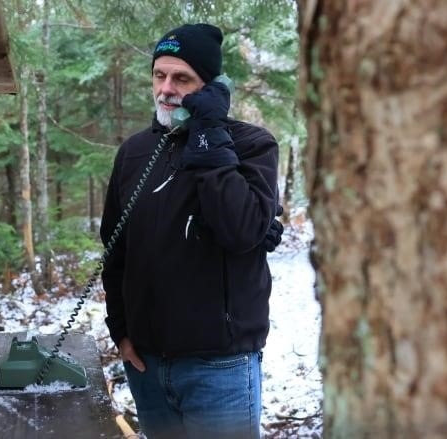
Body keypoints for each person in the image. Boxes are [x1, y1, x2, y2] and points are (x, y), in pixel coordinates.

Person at [100, 23, 283, 439]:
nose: (166, 88)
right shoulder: (134, 152)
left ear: (210, 87)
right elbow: (115, 249)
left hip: (219, 370)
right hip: (147, 365)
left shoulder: (251, 145)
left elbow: (241, 229)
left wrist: (208, 134)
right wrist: (122, 331)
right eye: (159, 75)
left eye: (182, 78)